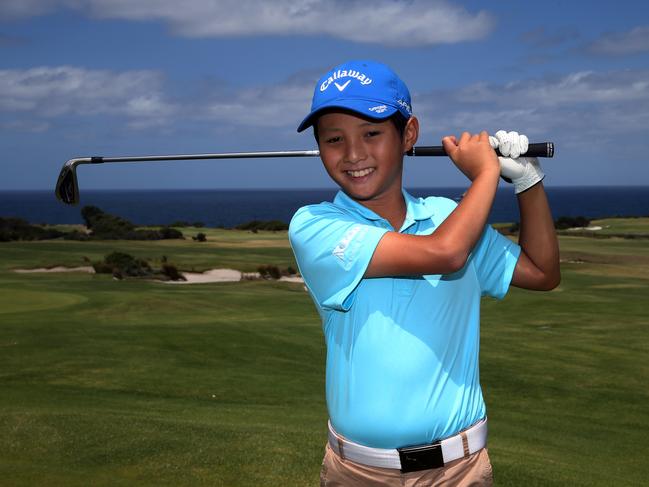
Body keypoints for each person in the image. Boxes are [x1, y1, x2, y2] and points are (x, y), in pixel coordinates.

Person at [288, 60, 560, 486]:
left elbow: (542, 272)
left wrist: (527, 182)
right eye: (334, 139)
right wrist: (487, 171)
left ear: (408, 135)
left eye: (372, 133)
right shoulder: (315, 226)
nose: (354, 154)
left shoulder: (450, 217)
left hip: (459, 472)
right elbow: (445, 252)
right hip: (356, 474)